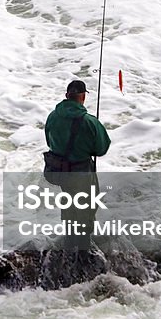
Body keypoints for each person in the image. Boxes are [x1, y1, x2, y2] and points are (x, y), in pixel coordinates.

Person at [43, 79, 111, 253]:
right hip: (82, 174)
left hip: (62, 173)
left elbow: (50, 142)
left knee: (69, 204)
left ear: (67, 96)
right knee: (86, 209)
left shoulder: (52, 116)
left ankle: (69, 243)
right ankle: (82, 250)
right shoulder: (89, 121)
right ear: (82, 97)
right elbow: (101, 148)